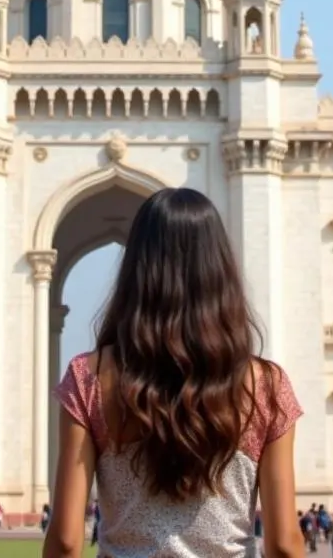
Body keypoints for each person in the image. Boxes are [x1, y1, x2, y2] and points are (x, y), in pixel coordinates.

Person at [46, 187, 306, 558]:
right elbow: (283, 543)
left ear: (137, 266)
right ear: (219, 268)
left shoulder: (89, 377)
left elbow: (67, 542)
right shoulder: (266, 385)